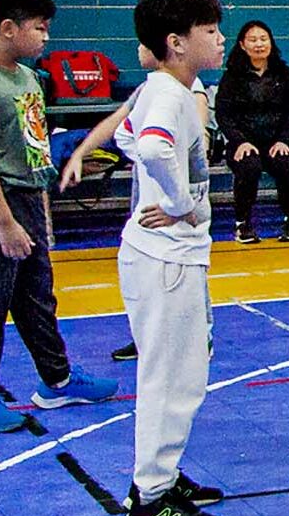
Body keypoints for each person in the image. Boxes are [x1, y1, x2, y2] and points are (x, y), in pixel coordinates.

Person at [0, 0, 116, 433]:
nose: (46, 38)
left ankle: (57, 379)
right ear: (7, 28)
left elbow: (33, 143)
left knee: (36, 296)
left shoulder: (26, 77)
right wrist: (4, 224)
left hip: (26, 197)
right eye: (39, 29)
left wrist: (40, 201)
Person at [118, 0, 228, 516]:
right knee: (172, 378)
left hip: (168, 258)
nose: (220, 38)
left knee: (182, 372)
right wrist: (180, 204)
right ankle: (151, 498)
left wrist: (164, 196)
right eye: (209, 30)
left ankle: (161, 476)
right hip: (166, 261)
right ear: (176, 42)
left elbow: (125, 135)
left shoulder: (167, 89)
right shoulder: (168, 95)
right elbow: (156, 148)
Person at [60, 44, 209, 363]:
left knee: (185, 269)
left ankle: (200, 336)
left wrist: (181, 201)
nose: (140, 47)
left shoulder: (188, 90)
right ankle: (148, 336)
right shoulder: (150, 88)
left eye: (145, 42)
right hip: (148, 197)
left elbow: (197, 139)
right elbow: (117, 122)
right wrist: (79, 152)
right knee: (147, 271)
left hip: (177, 202)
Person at [215, 20, 289, 243]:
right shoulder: (232, 77)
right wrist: (239, 141)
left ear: (271, 43)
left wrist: (284, 139)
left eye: (263, 39)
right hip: (244, 143)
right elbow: (223, 115)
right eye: (253, 40)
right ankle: (242, 223)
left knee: (286, 168)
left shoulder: (285, 74)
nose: (259, 44)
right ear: (242, 45)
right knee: (249, 167)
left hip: (277, 141)